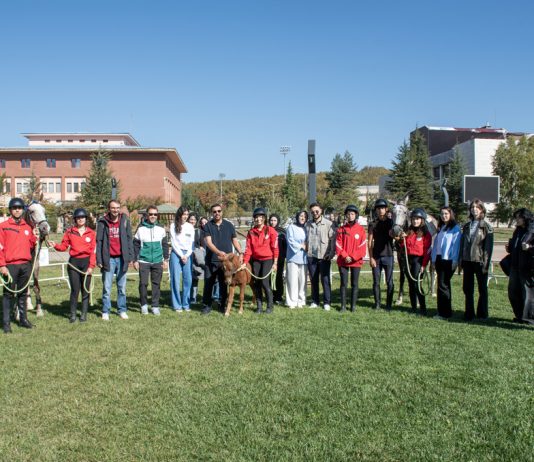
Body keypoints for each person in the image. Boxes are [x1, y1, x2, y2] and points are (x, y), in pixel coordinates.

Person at [49, 208, 96, 323]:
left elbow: (93, 251)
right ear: (75, 219)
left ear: (86, 218)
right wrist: (55, 245)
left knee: (85, 290)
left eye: (82, 217)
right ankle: (73, 314)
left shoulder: (91, 233)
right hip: (74, 263)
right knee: (75, 290)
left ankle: (83, 314)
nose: (80, 219)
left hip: (86, 263)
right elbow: (63, 246)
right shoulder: (70, 232)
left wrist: (91, 266)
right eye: (78, 217)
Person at [1, 198, 38, 333]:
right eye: (14, 208)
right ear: (10, 210)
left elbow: (31, 244)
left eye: (20, 208)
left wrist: (35, 237)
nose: (17, 210)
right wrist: (2, 265)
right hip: (10, 265)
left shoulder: (27, 227)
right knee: (8, 295)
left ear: (23, 210)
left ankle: (23, 320)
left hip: (25, 265)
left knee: (23, 293)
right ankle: (6, 323)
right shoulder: (3, 226)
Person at [202, 204, 243, 315]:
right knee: (208, 284)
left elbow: (235, 240)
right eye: (214, 211)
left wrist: (240, 252)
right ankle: (206, 306)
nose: (217, 213)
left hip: (227, 262)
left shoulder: (229, 225)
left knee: (224, 284)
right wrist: (218, 252)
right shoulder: (208, 226)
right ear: (212, 213)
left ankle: (222, 305)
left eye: (219, 211)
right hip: (211, 260)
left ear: (222, 212)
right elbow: (209, 243)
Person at [96, 200, 134, 320]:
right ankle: (105, 311)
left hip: (122, 259)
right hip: (108, 259)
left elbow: (129, 239)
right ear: (109, 209)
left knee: (121, 287)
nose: (115, 210)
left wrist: (130, 257)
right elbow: (99, 241)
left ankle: (122, 310)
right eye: (113, 208)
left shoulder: (125, 220)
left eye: (117, 208)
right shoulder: (103, 222)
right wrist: (99, 259)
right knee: (107, 288)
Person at [459, 198, 494, 321]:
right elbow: (463, 244)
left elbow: (488, 248)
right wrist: (461, 260)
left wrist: (485, 264)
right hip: (467, 261)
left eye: (477, 207)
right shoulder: (466, 226)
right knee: (467, 288)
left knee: (482, 288)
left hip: (480, 261)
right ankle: (469, 313)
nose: (474, 209)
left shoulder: (486, 227)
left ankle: (482, 314)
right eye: (472, 207)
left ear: (481, 210)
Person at [133, 205, 169, 316]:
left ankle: (155, 306)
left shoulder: (161, 228)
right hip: (144, 261)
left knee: (156, 284)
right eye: (151, 214)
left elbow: (165, 245)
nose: (153, 216)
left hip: (158, 260)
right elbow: (135, 245)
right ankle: (143, 305)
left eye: (155, 214)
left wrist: (166, 260)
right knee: (143, 284)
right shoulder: (140, 228)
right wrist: (135, 260)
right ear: (147, 215)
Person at [243, 208, 279, 314]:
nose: (258, 219)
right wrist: (245, 262)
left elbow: (275, 248)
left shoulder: (270, 230)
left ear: (264, 218)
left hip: (268, 259)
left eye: (261, 217)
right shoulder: (251, 232)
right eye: (256, 217)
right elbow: (248, 249)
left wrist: (275, 263)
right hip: (256, 260)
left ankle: (269, 306)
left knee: (264, 282)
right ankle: (259, 306)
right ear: (254, 219)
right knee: (257, 283)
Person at [399, 208, 432, 316]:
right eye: (413, 219)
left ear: (422, 220)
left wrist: (423, 265)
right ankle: (413, 307)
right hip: (409, 260)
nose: (415, 221)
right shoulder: (409, 232)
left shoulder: (426, 234)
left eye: (417, 219)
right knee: (410, 284)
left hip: (419, 260)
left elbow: (427, 251)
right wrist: (401, 239)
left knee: (417, 284)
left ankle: (423, 309)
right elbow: (403, 245)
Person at [431, 207, 461, 320]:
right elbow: (436, 246)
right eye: (442, 214)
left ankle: (445, 313)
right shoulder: (441, 228)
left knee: (443, 285)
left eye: (446, 214)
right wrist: (433, 260)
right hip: (439, 259)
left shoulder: (455, 228)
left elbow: (456, 246)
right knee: (441, 285)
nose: (444, 216)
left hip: (448, 260)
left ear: (450, 214)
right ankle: (441, 311)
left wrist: (454, 261)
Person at [335, 205, 367, 312]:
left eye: (352, 214)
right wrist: (345, 256)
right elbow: (338, 244)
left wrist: (352, 257)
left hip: (356, 261)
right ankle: (343, 306)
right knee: (343, 283)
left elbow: (362, 246)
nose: (350, 216)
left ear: (356, 215)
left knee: (354, 283)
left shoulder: (361, 229)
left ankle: (353, 306)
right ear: (346, 215)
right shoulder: (341, 229)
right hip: (343, 261)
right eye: (348, 214)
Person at [506, 208, 534, 324]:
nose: (516, 220)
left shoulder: (532, 230)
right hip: (515, 266)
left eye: (519, 217)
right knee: (513, 292)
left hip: (527, 267)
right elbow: (515, 246)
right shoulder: (517, 231)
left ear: (525, 218)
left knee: (527, 294)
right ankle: (519, 315)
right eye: (516, 217)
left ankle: (529, 318)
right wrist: (509, 248)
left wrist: (530, 248)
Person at [306, 202, 335, 310]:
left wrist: (331, 254)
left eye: (317, 211)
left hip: (324, 257)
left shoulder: (328, 224)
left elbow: (332, 240)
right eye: (312, 212)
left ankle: (327, 302)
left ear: (321, 211)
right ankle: (315, 301)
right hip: (311, 256)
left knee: (325, 280)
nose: (315, 213)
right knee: (314, 280)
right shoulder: (308, 224)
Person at [368, 199, 395, 310]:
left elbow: (397, 236)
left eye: (382, 208)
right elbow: (370, 242)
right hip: (376, 257)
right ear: (376, 210)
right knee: (376, 282)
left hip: (389, 256)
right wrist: (371, 258)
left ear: (386, 209)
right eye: (378, 208)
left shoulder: (391, 222)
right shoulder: (372, 223)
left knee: (390, 282)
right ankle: (377, 304)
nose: (380, 210)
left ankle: (388, 305)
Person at [169, 206, 195, 312]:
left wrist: (187, 255)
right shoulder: (173, 225)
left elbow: (192, 243)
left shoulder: (190, 227)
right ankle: (177, 305)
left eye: (187, 214)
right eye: (184, 214)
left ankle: (186, 304)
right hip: (176, 253)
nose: (185, 216)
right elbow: (173, 242)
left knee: (188, 280)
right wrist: (181, 255)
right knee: (175, 279)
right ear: (179, 214)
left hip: (188, 254)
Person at [285, 210, 308, 308]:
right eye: (301, 216)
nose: (303, 218)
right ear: (297, 216)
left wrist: (307, 246)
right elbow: (290, 240)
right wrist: (301, 246)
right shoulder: (291, 227)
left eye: (305, 217)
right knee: (292, 280)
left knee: (302, 281)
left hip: (304, 258)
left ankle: (301, 300)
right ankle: (292, 301)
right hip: (292, 257)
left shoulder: (306, 228)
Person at [269, 213, 287, 304]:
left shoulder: (282, 232)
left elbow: (285, 245)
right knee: (269, 277)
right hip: (269, 258)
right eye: (271, 220)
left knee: (278, 277)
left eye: (275, 220)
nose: (273, 222)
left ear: (278, 221)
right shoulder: (266, 230)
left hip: (280, 258)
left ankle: (278, 296)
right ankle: (270, 296)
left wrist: (284, 256)